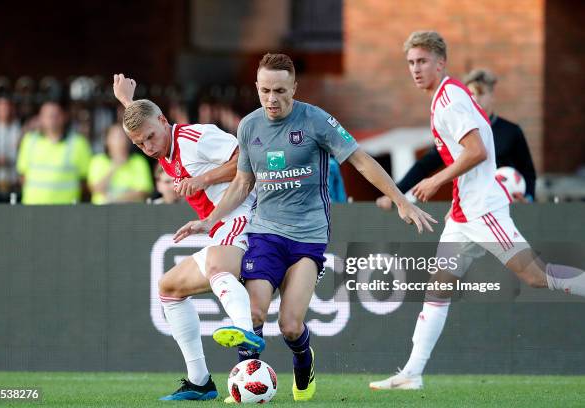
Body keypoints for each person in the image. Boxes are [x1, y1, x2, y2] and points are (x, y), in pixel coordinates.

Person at [174, 53, 436, 402]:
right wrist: (210, 219)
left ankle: (304, 358)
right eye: (265, 90)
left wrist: (400, 199)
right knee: (252, 314)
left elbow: (360, 160)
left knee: (289, 325)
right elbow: (241, 183)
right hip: (264, 234)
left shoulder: (316, 121)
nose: (272, 99)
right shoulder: (249, 126)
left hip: (308, 239)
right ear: (257, 87)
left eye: (280, 91)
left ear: (294, 88)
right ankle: (246, 389)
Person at [368, 31, 585, 391]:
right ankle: (412, 373)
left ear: (441, 63)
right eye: (411, 63)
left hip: (483, 211)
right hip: (462, 215)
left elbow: (477, 151)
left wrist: (436, 180)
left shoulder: (450, 99)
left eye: (422, 61)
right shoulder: (445, 96)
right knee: (438, 288)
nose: (416, 69)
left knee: (534, 276)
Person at [113, 74, 264, 401]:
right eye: (139, 144)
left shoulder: (196, 138)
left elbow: (249, 160)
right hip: (219, 223)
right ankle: (200, 382)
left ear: (165, 121)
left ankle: (246, 332)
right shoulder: (154, 134)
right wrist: (127, 102)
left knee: (215, 263)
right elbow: (143, 120)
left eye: (151, 138)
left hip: (243, 213)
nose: (148, 148)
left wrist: (202, 179)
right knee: (168, 287)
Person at [376, 68, 537, 210]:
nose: (476, 99)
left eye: (481, 93)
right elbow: (424, 165)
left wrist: (528, 197)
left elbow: (528, 172)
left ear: (492, 96)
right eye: (471, 94)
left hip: (508, 206)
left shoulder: (511, 131)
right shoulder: (456, 130)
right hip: (472, 205)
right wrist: (396, 194)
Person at [16, 101, 92, 205]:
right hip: (33, 209)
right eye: (48, 115)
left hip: (66, 210)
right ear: (40, 118)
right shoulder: (29, 141)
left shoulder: (78, 143)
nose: (52, 119)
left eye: (56, 115)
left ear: (64, 117)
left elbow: (85, 181)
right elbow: (22, 175)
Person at [87, 124, 153, 204]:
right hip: (102, 213)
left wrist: (115, 199)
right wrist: (114, 167)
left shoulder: (138, 161)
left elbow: (144, 192)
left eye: (123, 137)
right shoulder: (98, 161)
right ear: (107, 141)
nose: (121, 141)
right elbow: (96, 189)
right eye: (116, 137)